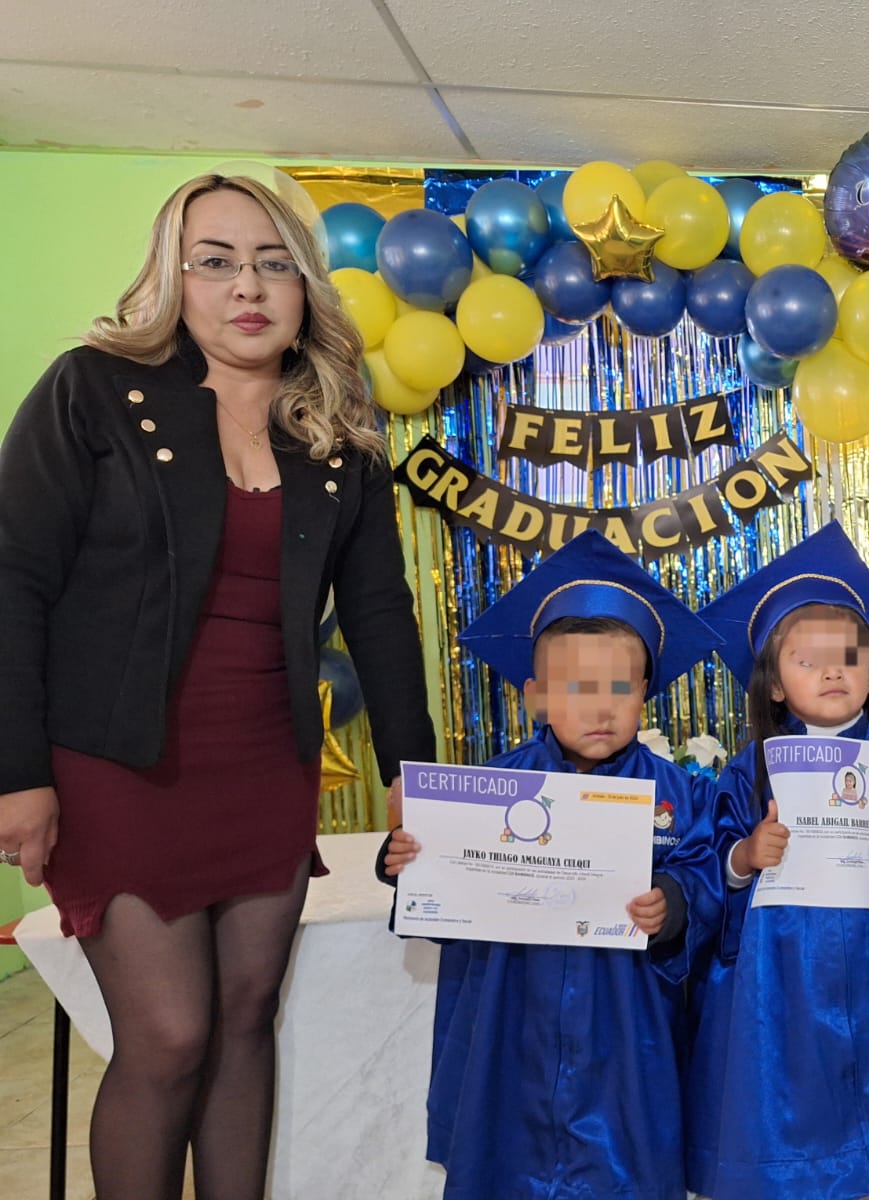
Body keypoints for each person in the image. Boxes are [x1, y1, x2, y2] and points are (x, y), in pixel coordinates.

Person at [0, 173, 435, 1199]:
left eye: (274, 262)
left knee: (246, 1024)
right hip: (113, 763)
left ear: (305, 288)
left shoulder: (339, 438)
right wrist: (18, 771)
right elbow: (13, 576)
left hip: (262, 766)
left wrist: (413, 769)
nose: (248, 286)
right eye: (217, 260)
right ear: (174, 279)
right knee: (172, 1035)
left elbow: (379, 612)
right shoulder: (93, 390)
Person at [380, 529, 723, 1200]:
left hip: (626, 1032)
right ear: (535, 694)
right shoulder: (489, 788)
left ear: (646, 690)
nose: (600, 707)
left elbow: (706, 873)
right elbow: (443, 902)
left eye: (619, 688)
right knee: (506, 1162)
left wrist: (674, 901)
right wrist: (405, 862)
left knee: (630, 1168)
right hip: (512, 1022)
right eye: (576, 688)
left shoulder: (683, 795)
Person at [686, 521, 869, 1200]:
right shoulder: (747, 775)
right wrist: (743, 857)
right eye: (806, 660)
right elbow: (706, 880)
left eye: (848, 657)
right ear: (776, 686)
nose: (830, 671)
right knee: (797, 1140)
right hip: (781, 989)